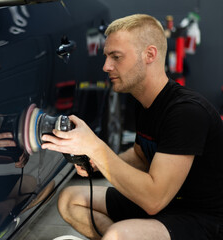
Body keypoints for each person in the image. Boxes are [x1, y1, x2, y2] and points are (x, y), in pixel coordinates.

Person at [41, 14, 223, 240]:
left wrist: (96, 147)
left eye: (116, 57)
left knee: (120, 235)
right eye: (107, 56)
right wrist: (97, 163)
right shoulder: (146, 102)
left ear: (149, 55)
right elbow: (140, 155)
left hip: (202, 221)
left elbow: (153, 200)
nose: (106, 66)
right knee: (70, 199)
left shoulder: (186, 112)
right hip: (167, 206)